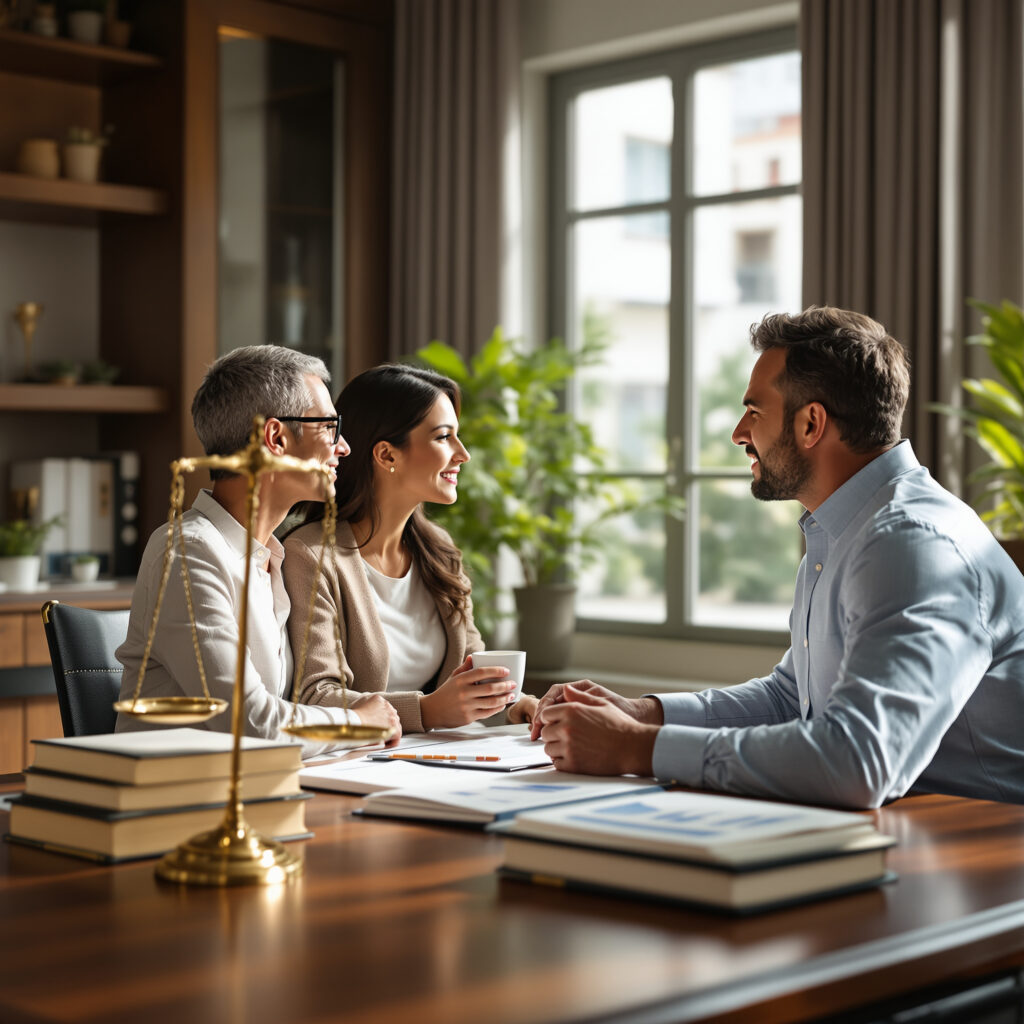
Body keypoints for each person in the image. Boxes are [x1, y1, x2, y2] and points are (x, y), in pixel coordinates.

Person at [532, 306, 1024, 808]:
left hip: (982, 854)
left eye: (755, 411)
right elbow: (791, 699)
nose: (739, 433)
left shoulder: (912, 543)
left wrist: (636, 748)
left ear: (811, 423)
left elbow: (860, 762)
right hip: (902, 836)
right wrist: (642, 714)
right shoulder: (844, 531)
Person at [116, 345, 401, 755]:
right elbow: (249, 722)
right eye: (330, 428)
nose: (344, 448)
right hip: (177, 803)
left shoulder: (271, 557)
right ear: (276, 438)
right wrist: (356, 722)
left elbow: (280, 712)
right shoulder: (187, 554)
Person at [282, 363, 537, 733]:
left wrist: (518, 703)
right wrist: (427, 711)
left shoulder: (440, 550)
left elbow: (470, 663)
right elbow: (315, 696)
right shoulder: (310, 555)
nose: (462, 454)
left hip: (446, 759)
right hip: (361, 763)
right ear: (387, 455)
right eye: (443, 437)